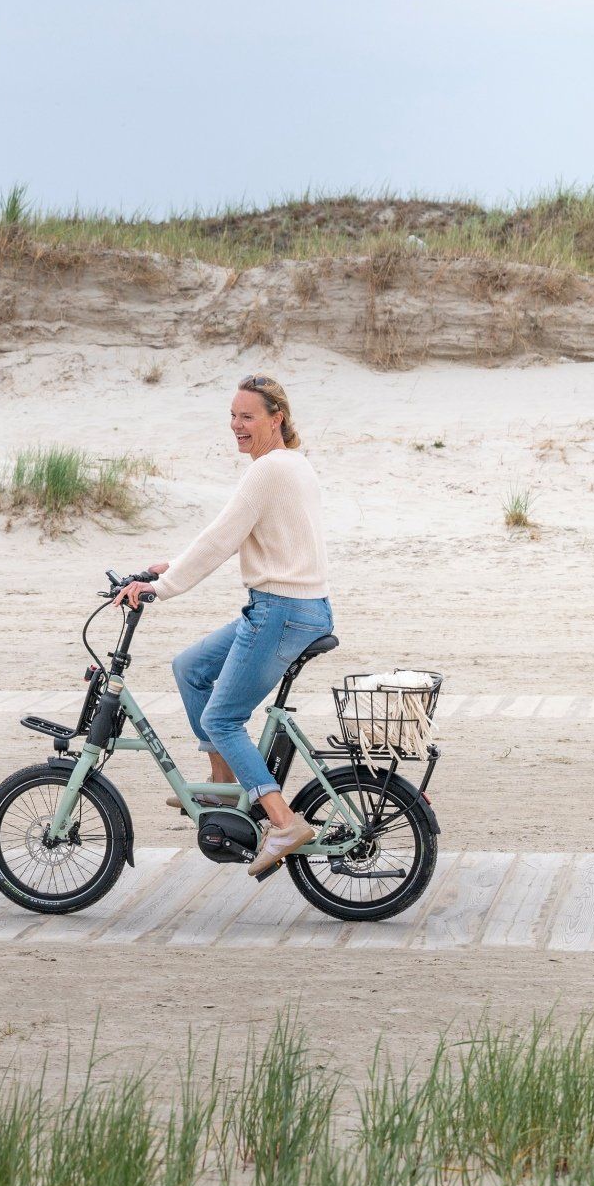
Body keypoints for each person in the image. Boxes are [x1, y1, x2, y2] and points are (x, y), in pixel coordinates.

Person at [115, 374, 334, 876]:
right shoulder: (290, 465)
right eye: (233, 416)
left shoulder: (268, 472)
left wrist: (161, 589)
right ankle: (222, 786)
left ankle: (282, 821)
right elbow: (243, 536)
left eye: (248, 416)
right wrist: (169, 565)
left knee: (221, 719)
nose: (237, 426)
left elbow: (220, 538)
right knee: (191, 666)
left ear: (276, 418)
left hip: (282, 610)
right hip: (293, 605)